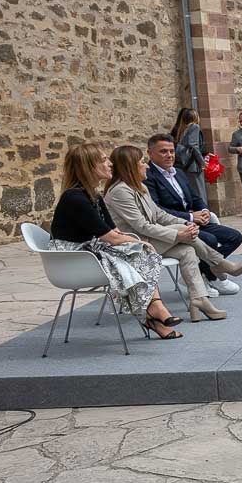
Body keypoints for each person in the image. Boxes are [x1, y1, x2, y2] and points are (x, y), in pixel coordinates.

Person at [49, 144, 185, 340]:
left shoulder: (93, 195)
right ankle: (155, 309)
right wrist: (142, 243)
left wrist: (136, 243)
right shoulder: (75, 198)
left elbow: (114, 230)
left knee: (138, 254)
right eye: (104, 160)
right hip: (75, 259)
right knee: (140, 252)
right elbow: (111, 237)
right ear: (89, 166)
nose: (110, 163)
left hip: (90, 251)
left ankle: (154, 312)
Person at [102, 145, 242, 322]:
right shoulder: (120, 191)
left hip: (151, 241)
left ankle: (199, 300)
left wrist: (186, 222)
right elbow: (141, 226)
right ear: (131, 166)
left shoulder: (139, 187)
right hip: (133, 245)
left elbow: (160, 215)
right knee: (183, 234)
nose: (146, 166)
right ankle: (218, 263)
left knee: (187, 251)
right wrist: (179, 233)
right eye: (142, 162)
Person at [144, 133, 242, 297]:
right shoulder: (148, 177)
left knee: (234, 237)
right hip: (173, 226)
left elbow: (196, 197)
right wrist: (190, 217)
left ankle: (205, 272)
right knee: (210, 240)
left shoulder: (179, 173)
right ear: (150, 153)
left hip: (196, 221)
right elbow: (157, 209)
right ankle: (211, 275)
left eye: (171, 151)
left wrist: (204, 211)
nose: (169, 155)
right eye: (163, 151)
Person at [169, 107, 208, 202]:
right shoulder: (194, 127)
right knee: (199, 194)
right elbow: (193, 145)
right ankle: (203, 213)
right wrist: (202, 162)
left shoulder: (181, 129)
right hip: (193, 166)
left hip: (184, 165)